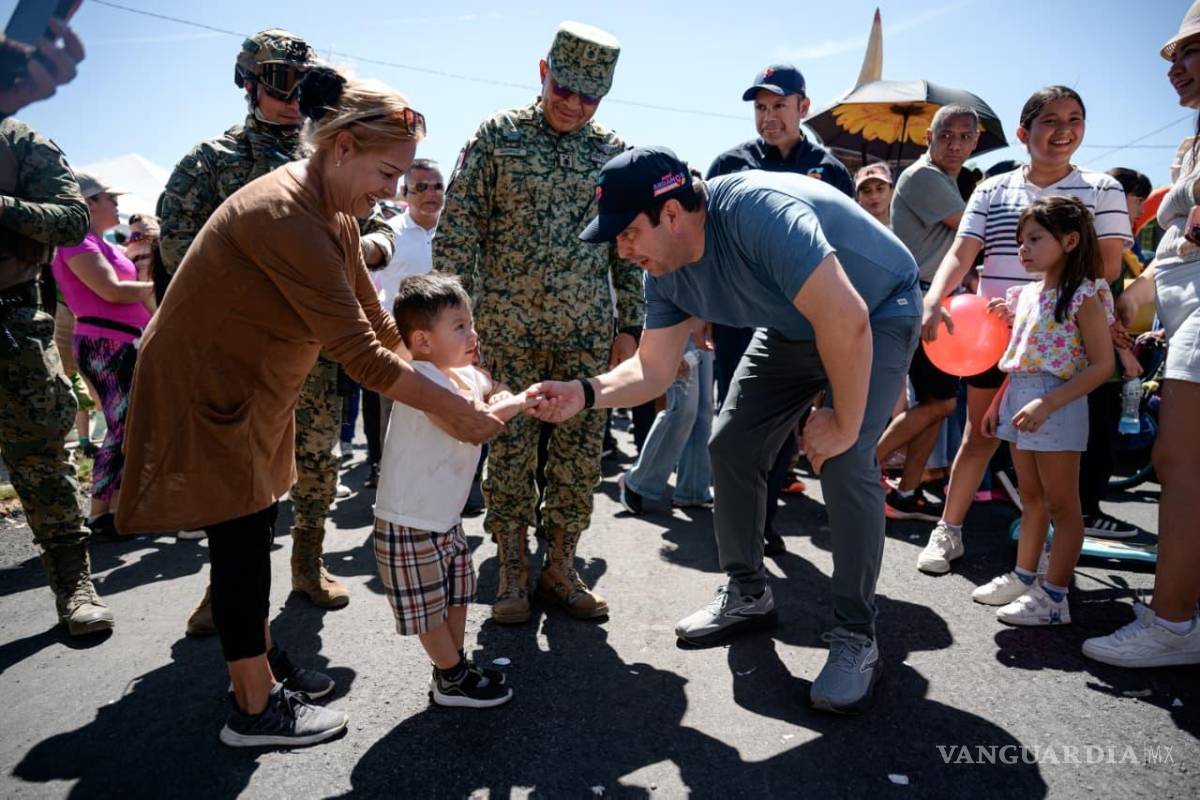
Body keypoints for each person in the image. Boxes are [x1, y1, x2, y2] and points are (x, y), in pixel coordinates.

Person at [116, 68, 502, 747]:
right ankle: (255, 707)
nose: (392, 192)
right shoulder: (287, 212)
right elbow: (359, 353)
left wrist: (447, 384)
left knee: (253, 529)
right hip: (207, 387)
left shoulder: (332, 214)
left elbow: (379, 326)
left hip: (252, 389)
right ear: (342, 147)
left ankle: (261, 664)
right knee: (240, 543)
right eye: (387, 174)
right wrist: (456, 414)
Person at [531, 146, 921, 713]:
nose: (622, 248)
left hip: (877, 308)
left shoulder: (759, 212)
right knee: (730, 445)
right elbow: (650, 370)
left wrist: (842, 420)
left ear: (670, 214)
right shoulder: (662, 271)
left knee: (845, 458)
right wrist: (584, 393)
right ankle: (747, 592)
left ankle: (856, 635)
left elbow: (847, 317)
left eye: (628, 232)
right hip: (796, 326)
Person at [159, 30, 396, 630]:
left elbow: (387, 221)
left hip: (319, 344)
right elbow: (178, 246)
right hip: (247, 348)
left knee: (319, 461)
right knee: (239, 472)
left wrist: (360, 248)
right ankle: (226, 589)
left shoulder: (335, 152)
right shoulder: (211, 161)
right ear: (249, 83)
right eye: (281, 83)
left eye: (306, 84)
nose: (294, 99)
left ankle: (308, 564)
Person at [435, 21, 643, 624]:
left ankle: (562, 565)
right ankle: (512, 572)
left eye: (590, 96)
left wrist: (629, 326)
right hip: (504, 330)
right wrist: (456, 326)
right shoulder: (497, 137)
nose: (575, 106)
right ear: (543, 72)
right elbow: (458, 233)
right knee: (509, 450)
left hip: (584, 333)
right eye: (566, 89)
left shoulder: (611, 153)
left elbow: (628, 245)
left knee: (579, 456)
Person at [918, 86, 1130, 576]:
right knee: (980, 433)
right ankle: (948, 532)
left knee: (1050, 453)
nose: (1064, 130)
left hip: (1064, 343)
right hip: (993, 335)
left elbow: (1112, 262)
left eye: (1075, 119)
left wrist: (1044, 299)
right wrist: (934, 298)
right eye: (1050, 120)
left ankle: (1044, 569)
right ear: (1023, 132)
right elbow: (962, 252)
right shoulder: (991, 190)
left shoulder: (1102, 189)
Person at [1083, 9, 1200, 666]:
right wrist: (1134, 301)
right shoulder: (1192, 141)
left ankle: (1175, 622)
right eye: (1169, 57)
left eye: (1190, 52)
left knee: (1180, 464)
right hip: (1182, 302)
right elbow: (1170, 252)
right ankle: (1181, 597)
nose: (1173, 68)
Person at [706, 63, 855, 556]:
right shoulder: (729, 164)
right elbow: (709, 244)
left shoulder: (830, 171)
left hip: (801, 321)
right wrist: (703, 311)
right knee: (737, 426)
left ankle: (762, 520)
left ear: (803, 108)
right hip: (738, 318)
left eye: (779, 106)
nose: (769, 117)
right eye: (761, 107)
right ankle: (741, 530)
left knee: (785, 425)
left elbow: (843, 249)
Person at [0, 20, 113, 637]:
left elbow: (73, 220)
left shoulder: (20, 140)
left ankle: (75, 586)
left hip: (12, 322)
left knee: (41, 461)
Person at [374, 273, 532, 708]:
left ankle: (452, 670)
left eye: (470, 322)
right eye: (459, 326)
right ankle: (452, 674)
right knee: (428, 609)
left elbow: (492, 390)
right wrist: (518, 401)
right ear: (422, 341)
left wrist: (503, 396)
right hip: (409, 520)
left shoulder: (463, 375)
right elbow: (472, 424)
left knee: (457, 594)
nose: (473, 333)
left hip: (444, 518)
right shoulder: (421, 381)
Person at [972, 197, 1115, 624]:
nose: (1023, 248)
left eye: (1034, 238)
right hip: (1020, 399)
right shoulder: (1028, 295)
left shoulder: (1086, 293)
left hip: (1058, 402)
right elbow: (1019, 356)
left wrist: (1048, 401)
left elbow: (1102, 366)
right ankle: (1024, 575)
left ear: (1070, 240)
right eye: (1021, 240)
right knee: (1030, 497)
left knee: (1062, 504)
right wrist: (999, 401)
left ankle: (1054, 596)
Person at [878, 104, 981, 529]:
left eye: (963, 137)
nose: (954, 144)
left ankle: (906, 491)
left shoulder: (947, 181)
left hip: (933, 299)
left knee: (935, 402)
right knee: (942, 402)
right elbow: (975, 231)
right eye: (946, 135)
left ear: (975, 142)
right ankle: (861, 468)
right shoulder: (925, 177)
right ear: (929, 138)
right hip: (917, 300)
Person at [50, 172, 155, 538]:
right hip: (104, 345)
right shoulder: (76, 241)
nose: (116, 203)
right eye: (109, 197)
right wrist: (161, 287)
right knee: (121, 425)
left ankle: (117, 508)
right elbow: (110, 291)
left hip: (124, 342)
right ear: (90, 203)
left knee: (128, 426)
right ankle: (99, 514)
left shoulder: (102, 242)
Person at [362, 158, 445, 489]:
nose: (430, 194)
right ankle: (391, 485)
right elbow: (367, 284)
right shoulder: (389, 234)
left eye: (437, 186)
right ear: (405, 193)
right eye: (421, 187)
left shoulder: (458, 232)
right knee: (397, 420)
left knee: (444, 418)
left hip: (449, 347)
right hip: (400, 343)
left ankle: (444, 489)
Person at [615, 327, 714, 514]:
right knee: (682, 409)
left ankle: (692, 490)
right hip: (679, 323)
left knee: (703, 410)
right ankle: (635, 482)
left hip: (706, 321)